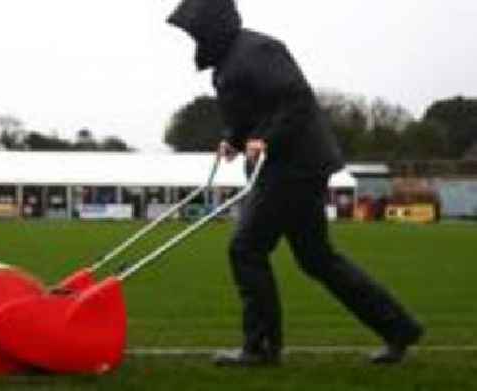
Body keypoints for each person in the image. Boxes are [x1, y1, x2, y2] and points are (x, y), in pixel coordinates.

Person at [167, 0, 423, 366]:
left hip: (294, 165)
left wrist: (266, 138)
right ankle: (398, 328)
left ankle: (261, 347)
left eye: (196, 29)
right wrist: (234, 138)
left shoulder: (258, 50)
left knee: (247, 248)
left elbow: (296, 100)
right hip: (287, 164)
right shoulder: (228, 61)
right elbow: (251, 111)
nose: (194, 38)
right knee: (317, 259)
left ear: (214, 25)